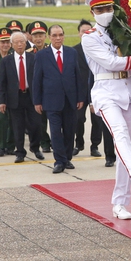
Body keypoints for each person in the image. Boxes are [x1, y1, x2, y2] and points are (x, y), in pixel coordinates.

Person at [82, 0, 131, 220]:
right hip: (106, 92)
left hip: (128, 91)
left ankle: (120, 203)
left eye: (109, 8)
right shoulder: (90, 37)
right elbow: (111, 62)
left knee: (128, 146)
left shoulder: (126, 31)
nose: (106, 13)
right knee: (118, 132)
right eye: (100, 9)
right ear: (92, 12)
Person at [32, 25, 86, 174]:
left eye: (60, 35)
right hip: (51, 101)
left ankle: (67, 158)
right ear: (49, 37)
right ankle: (59, 161)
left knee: (69, 131)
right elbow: (37, 79)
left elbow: (78, 76)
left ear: (64, 36)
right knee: (56, 132)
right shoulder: (42, 55)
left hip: (70, 99)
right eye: (54, 35)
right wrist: (37, 101)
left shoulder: (71, 53)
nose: (57, 38)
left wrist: (80, 97)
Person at [0, 31, 43, 163]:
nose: (19, 44)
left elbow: (39, 79)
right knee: (17, 126)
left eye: (22, 42)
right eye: (16, 42)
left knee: (35, 124)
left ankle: (35, 147)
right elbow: (2, 83)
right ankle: (20, 152)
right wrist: (2, 101)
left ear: (26, 43)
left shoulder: (33, 58)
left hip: (31, 96)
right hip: (15, 97)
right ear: (12, 45)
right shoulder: (6, 61)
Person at [73, 19, 102, 158]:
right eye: (83, 31)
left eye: (88, 31)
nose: (86, 33)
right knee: (78, 119)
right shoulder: (73, 51)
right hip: (79, 91)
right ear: (79, 34)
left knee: (97, 119)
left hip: (96, 89)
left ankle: (95, 146)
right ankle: (78, 144)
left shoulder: (98, 49)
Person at [27, 21, 52, 154]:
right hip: (36, 91)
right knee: (39, 120)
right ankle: (44, 142)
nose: (38, 38)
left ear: (45, 36)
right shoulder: (28, 53)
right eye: (35, 35)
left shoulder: (51, 50)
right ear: (31, 37)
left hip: (50, 90)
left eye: (41, 35)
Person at [0, 27, 15, 157]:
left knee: (13, 120)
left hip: (13, 94)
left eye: (7, 42)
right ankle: (1, 146)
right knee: (1, 120)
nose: (5, 45)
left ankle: (11, 146)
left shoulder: (14, 57)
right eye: (2, 42)